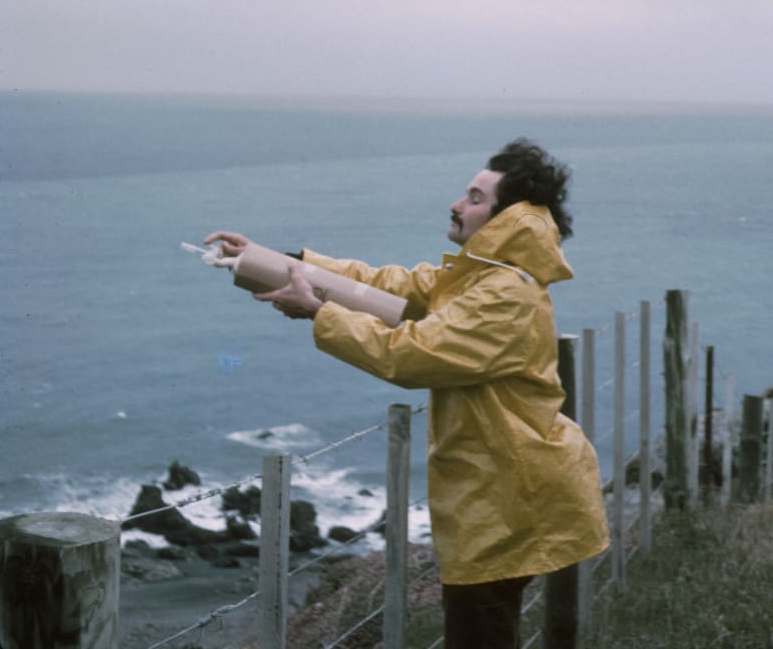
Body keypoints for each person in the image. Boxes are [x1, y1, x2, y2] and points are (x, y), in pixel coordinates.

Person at [205, 138, 609, 649]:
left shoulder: (504, 296)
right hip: (499, 494)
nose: (457, 205)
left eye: (475, 199)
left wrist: (319, 314)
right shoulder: (484, 278)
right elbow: (389, 287)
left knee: (479, 634)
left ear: (509, 219)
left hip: (506, 501)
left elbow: (410, 354)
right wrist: (281, 262)